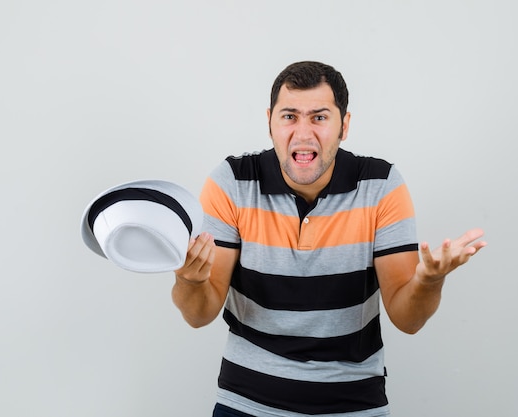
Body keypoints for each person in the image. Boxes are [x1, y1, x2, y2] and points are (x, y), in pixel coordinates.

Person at [172, 61, 486, 417]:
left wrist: (430, 280)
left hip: (354, 406)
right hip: (247, 402)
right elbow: (198, 315)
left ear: (344, 126)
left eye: (319, 117)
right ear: (270, 122)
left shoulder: (381, 185)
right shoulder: (232, 182)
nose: (303, 134)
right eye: (289, 116)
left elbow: (408, 320)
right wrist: (188, 278)